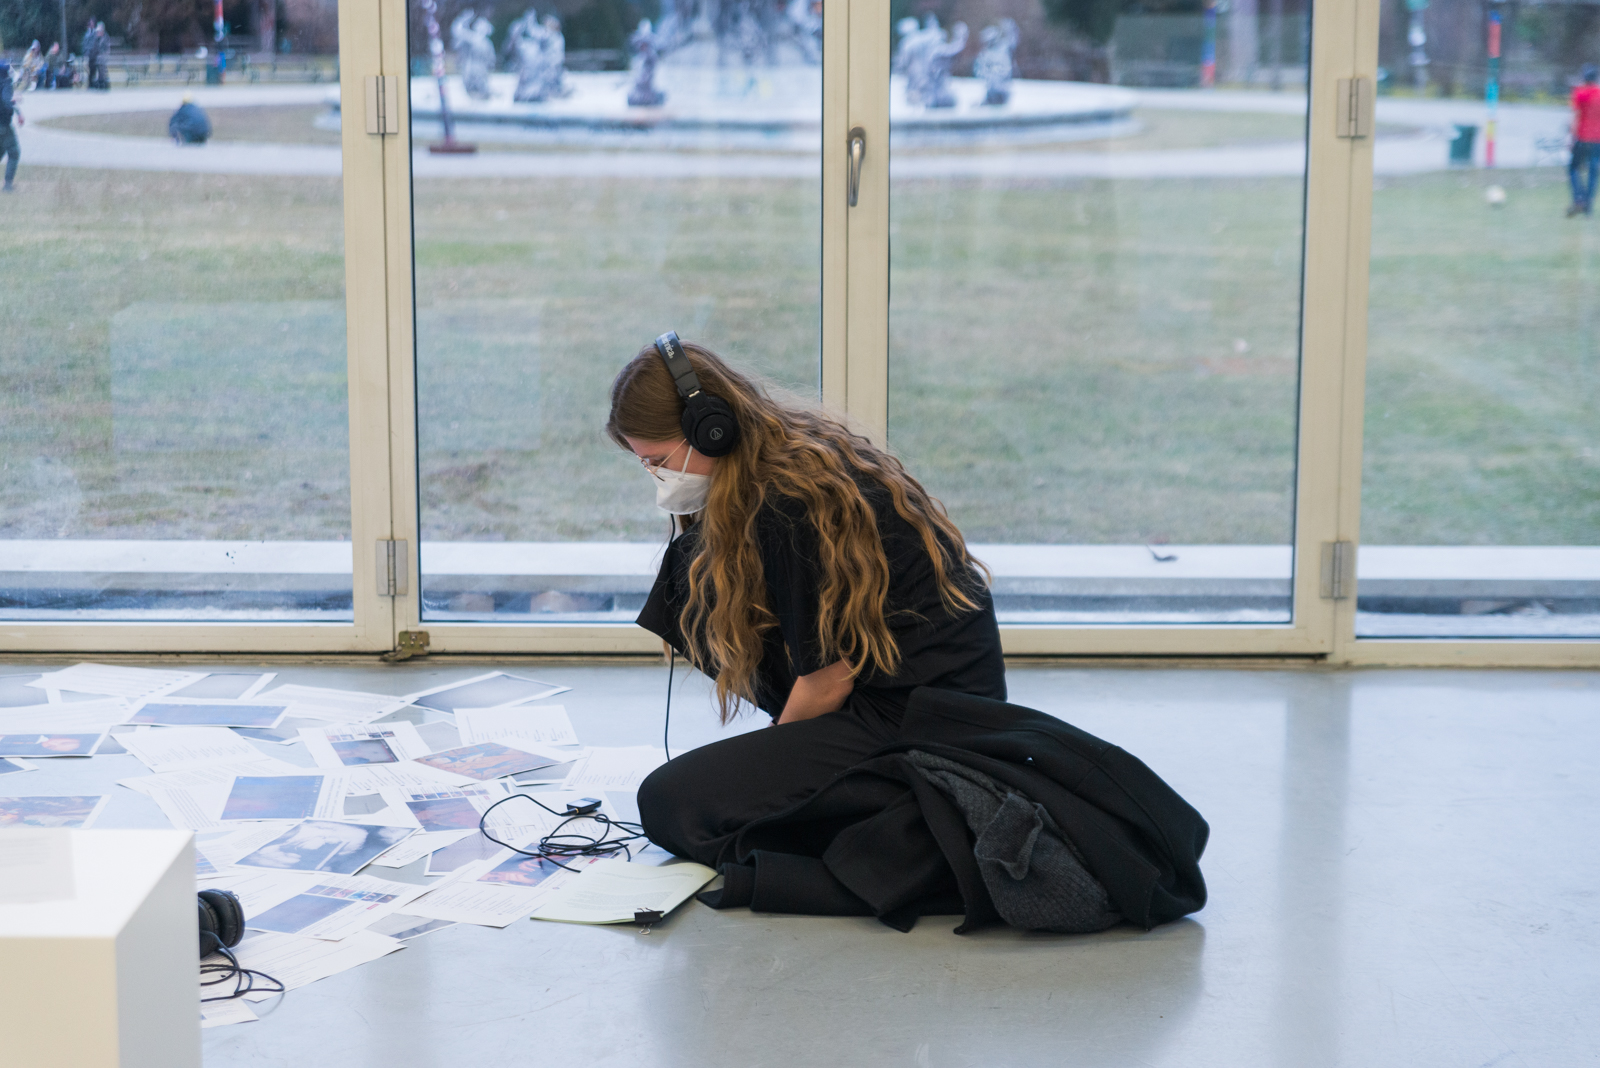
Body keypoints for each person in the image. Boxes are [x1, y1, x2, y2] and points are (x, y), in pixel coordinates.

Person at [611, 336, 1006, 871]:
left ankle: (890, 836)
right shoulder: (779, 458)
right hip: (893, 692)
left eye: (658, 460)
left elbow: (828, 680)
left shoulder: (787, 504)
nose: (657, 476)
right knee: (690, 572)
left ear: (711, 429)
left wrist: (773, 753)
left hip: (924, 724)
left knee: (669, 804)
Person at [1569, 66, 1600, 217]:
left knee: (1573, 168)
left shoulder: (1579, 92)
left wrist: (1571, 137)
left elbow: (1575, 115)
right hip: (1597, 139)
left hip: (1582, 137)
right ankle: (1588, 206)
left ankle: (1579, 198)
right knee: (1593, 171)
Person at [0, 63, 23, 193]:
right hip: (3, 124)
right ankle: (8, 185)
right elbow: (5, 101)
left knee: (1, 150)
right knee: (14, 152)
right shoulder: (6, 83)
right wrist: (13, 104)